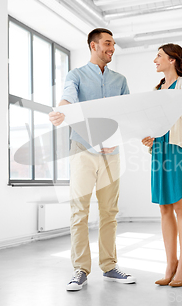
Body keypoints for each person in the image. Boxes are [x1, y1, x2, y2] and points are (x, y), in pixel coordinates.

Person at [49, 28, 135, 291]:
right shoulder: (75, 75)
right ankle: (80, 269)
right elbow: (67, 100)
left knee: (109, 212)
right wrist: (60, 112)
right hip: (83, 150)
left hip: (112, 153)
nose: (112, 48)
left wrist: (116, 139)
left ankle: (109, 266)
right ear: (93, 45)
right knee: (80, 211)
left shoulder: (119, 80)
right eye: (107, 43)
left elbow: (128, 114)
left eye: (113, 44)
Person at [141, 43, 182, 287]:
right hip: (159, 150)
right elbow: (152, 124)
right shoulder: (156, 90)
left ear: (172, 59)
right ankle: (170, 263)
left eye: (158, 56)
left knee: (180, 206)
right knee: (164, 208)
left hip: (177, 149)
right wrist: (149, 138)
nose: (155, 60)